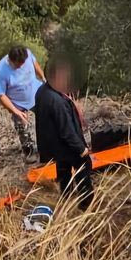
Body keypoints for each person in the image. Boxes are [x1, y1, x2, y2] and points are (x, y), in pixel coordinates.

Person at [34, 58, 93, 211]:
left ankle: (66, 195)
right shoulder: (56, 101)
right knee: (84, 166)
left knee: (63, 169)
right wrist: (81, 149)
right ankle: (86, 204)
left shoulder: (42, 91)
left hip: (54, 146)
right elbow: (66, 130)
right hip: (65, 145)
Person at [0, 46, 45, 162]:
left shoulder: (27, 54)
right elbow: (1, 95)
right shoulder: (1, 71)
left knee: (48, 118)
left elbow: (35, 63)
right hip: (17, 103)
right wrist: (16, 111)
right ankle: (29, 152)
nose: (21, 66)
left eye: (23, 63)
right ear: (11, 60)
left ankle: (48, 145)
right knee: (22, 128)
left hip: (36, 93)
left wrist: (43, 78)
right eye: (18, 65)